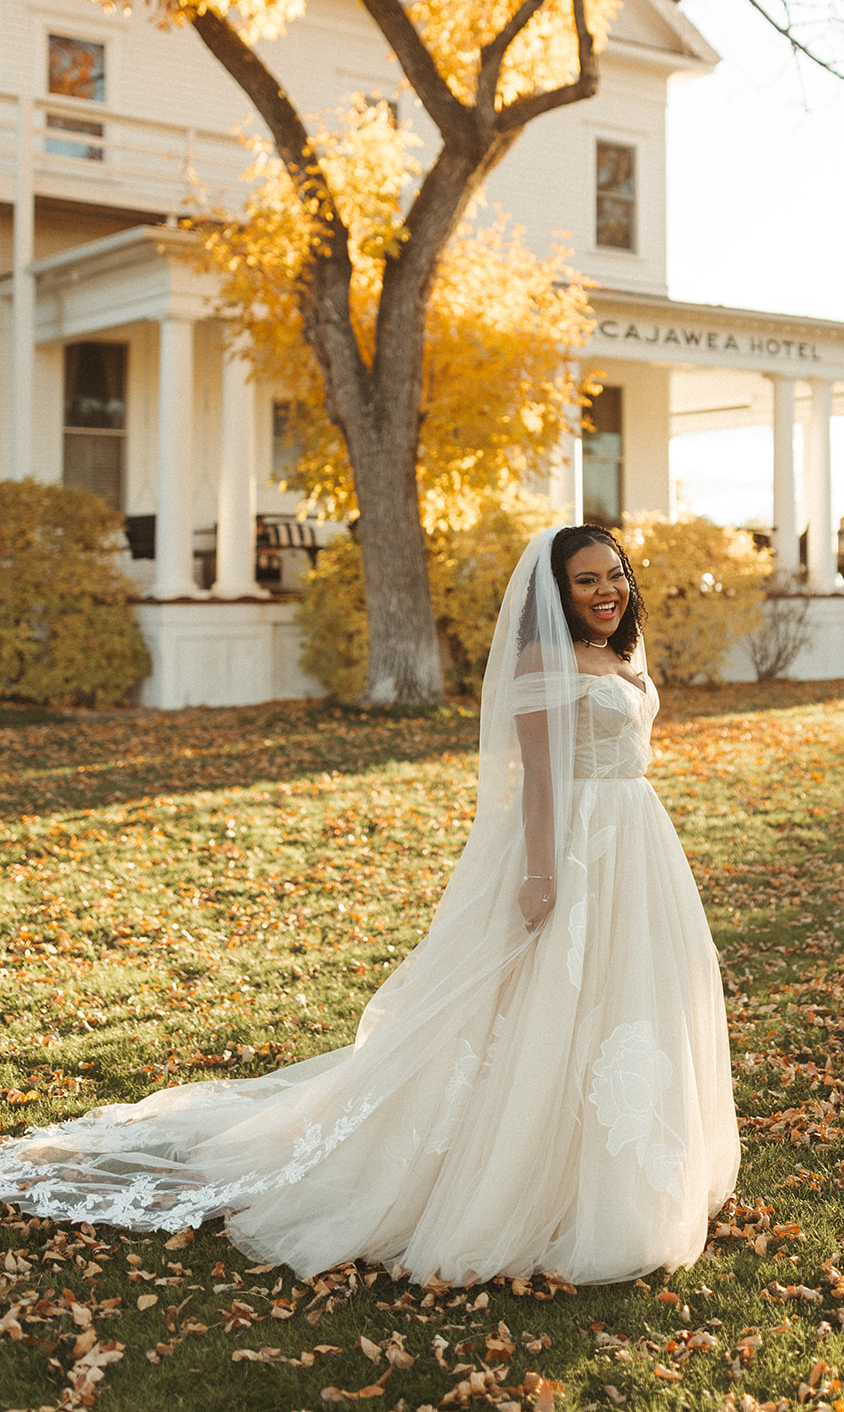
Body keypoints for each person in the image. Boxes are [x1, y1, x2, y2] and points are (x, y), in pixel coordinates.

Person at [0, 525, 739, 1286]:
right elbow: (542, 780)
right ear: (556, 593)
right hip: (577, 845)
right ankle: (520, 1176)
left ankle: (626, 1168)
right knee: (548, 1005)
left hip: (638, 841)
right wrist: (541, 874)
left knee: (630, 1000)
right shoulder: (542, 658)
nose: (606, 591)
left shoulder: (617, 651)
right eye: (585, 581)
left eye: (613, 575)